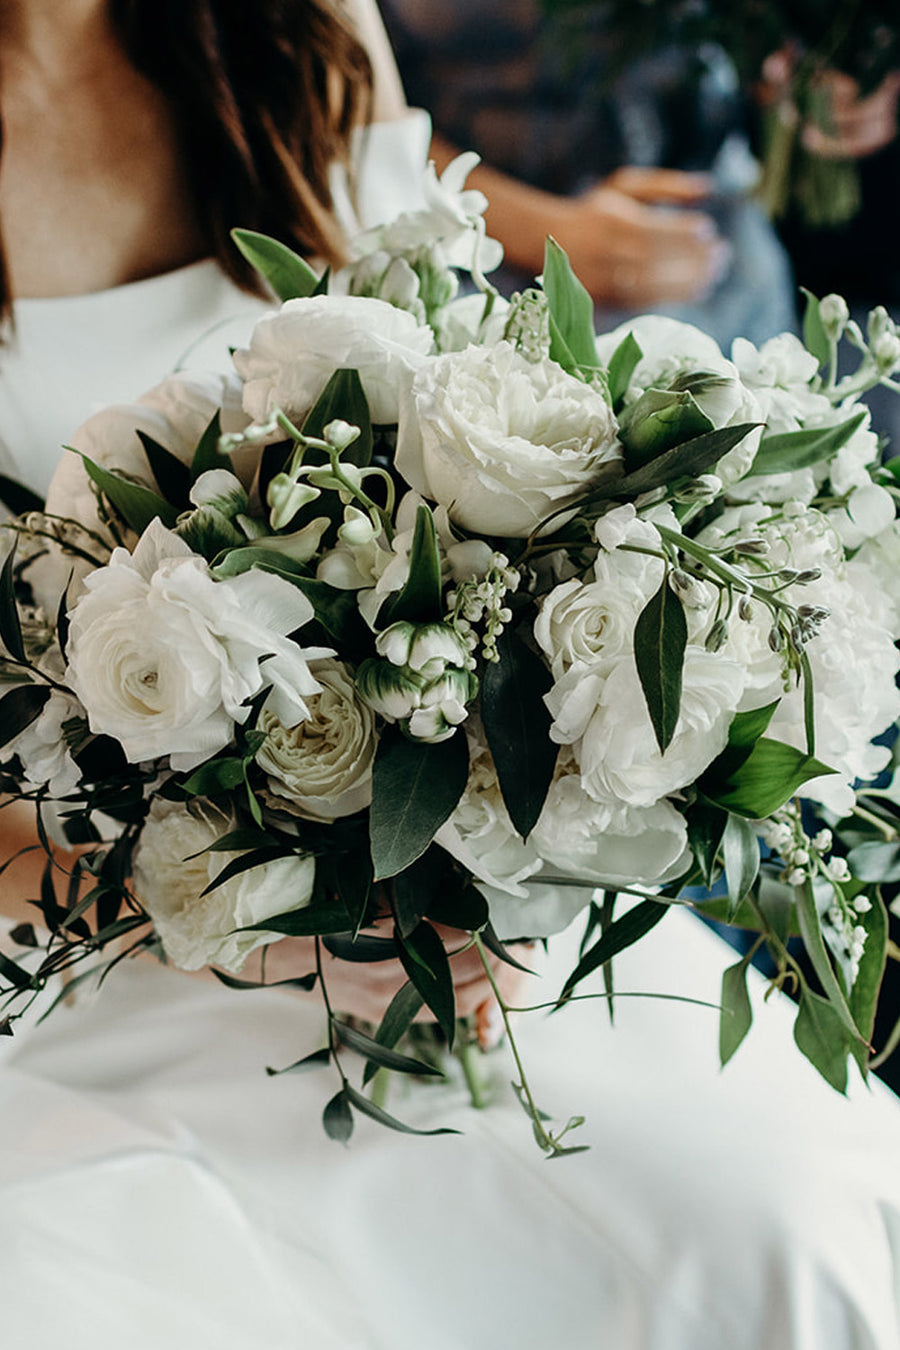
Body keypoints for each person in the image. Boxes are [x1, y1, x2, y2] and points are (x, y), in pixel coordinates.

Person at [1, 5, 900, 1349]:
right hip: (66, 940)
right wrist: (198, 899)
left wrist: (487, 834)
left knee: (781, 1209)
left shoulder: (297, 27)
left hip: (406, 923)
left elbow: (447, 406)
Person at [377, 0, 798, 349]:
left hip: (701, 238)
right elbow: (346, 110)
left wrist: (835, 86)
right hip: (450, 246)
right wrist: (545, 235)